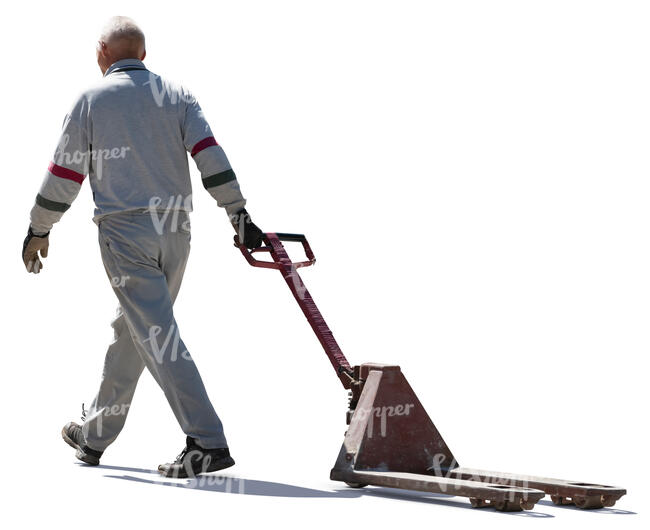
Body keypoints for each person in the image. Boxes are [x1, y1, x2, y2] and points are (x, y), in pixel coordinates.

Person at [22, 16, 263, 478]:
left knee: (156, 335)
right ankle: (94, 434)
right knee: (133, 329)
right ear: (143, 55)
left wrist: (39, 228)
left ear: (102, 53)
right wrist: (238, 213)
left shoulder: (91, 101)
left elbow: (65, 175)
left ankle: (207, 441)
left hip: (125, 232)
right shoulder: (176, 96)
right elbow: (210, 155)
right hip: (176, 232)